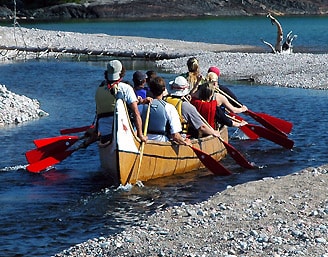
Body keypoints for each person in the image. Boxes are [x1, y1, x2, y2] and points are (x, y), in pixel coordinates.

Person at [95, 60, 147, 144]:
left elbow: (98, 113)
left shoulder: (99, 89)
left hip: (105, 133)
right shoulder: (126, 88)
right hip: (124, 132)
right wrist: (140, 135)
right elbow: (136, 113)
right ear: (121, 72)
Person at [138, 76, 190, 145]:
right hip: (161, 143)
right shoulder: (169, 108)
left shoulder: (141, 107)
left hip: (145, 143)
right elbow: (175, 136)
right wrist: (185, 142)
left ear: (150, 90)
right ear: (164, 90)